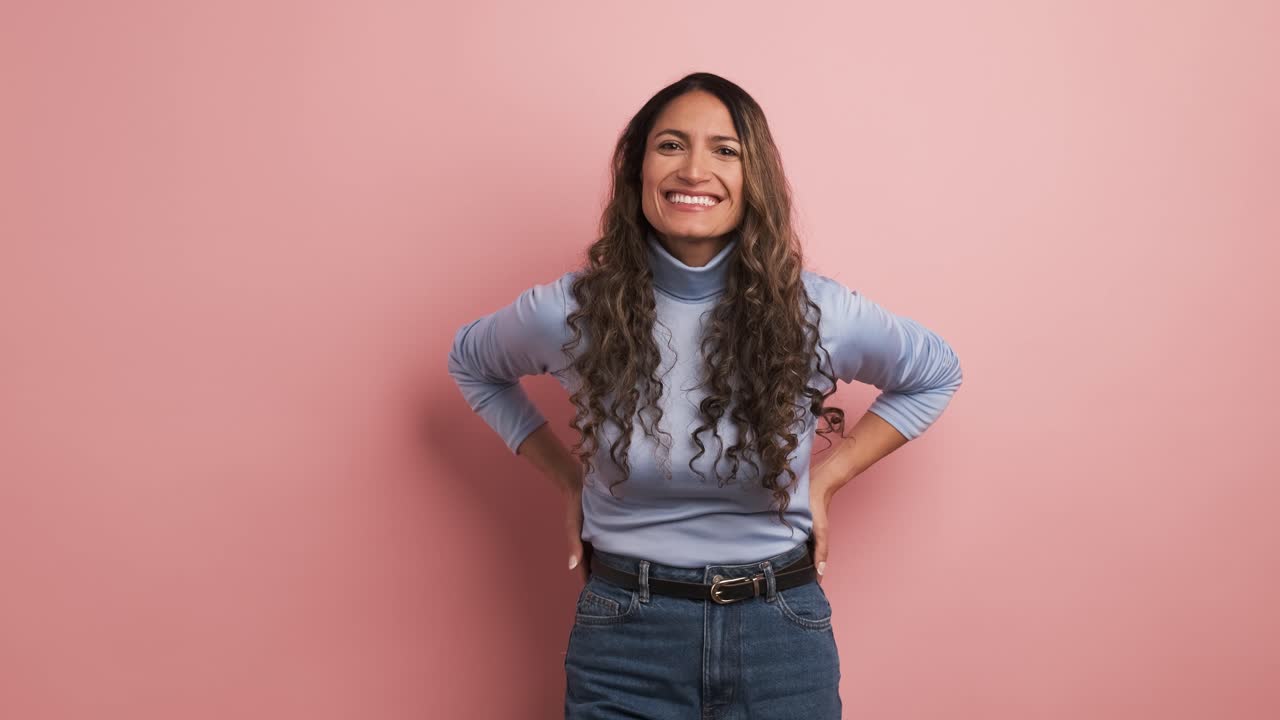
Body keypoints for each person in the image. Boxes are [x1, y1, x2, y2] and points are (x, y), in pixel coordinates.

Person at [446, 72, 963, 719]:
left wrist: (825, 479)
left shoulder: (817, 312)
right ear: (638, 170)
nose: (695, 169)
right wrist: (566, 478)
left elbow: (935, 371)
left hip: (779, 632)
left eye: (725, 150)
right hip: (624, 635)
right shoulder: (569, 312)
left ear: (756, 180)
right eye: (670, 146)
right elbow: (472, 362)